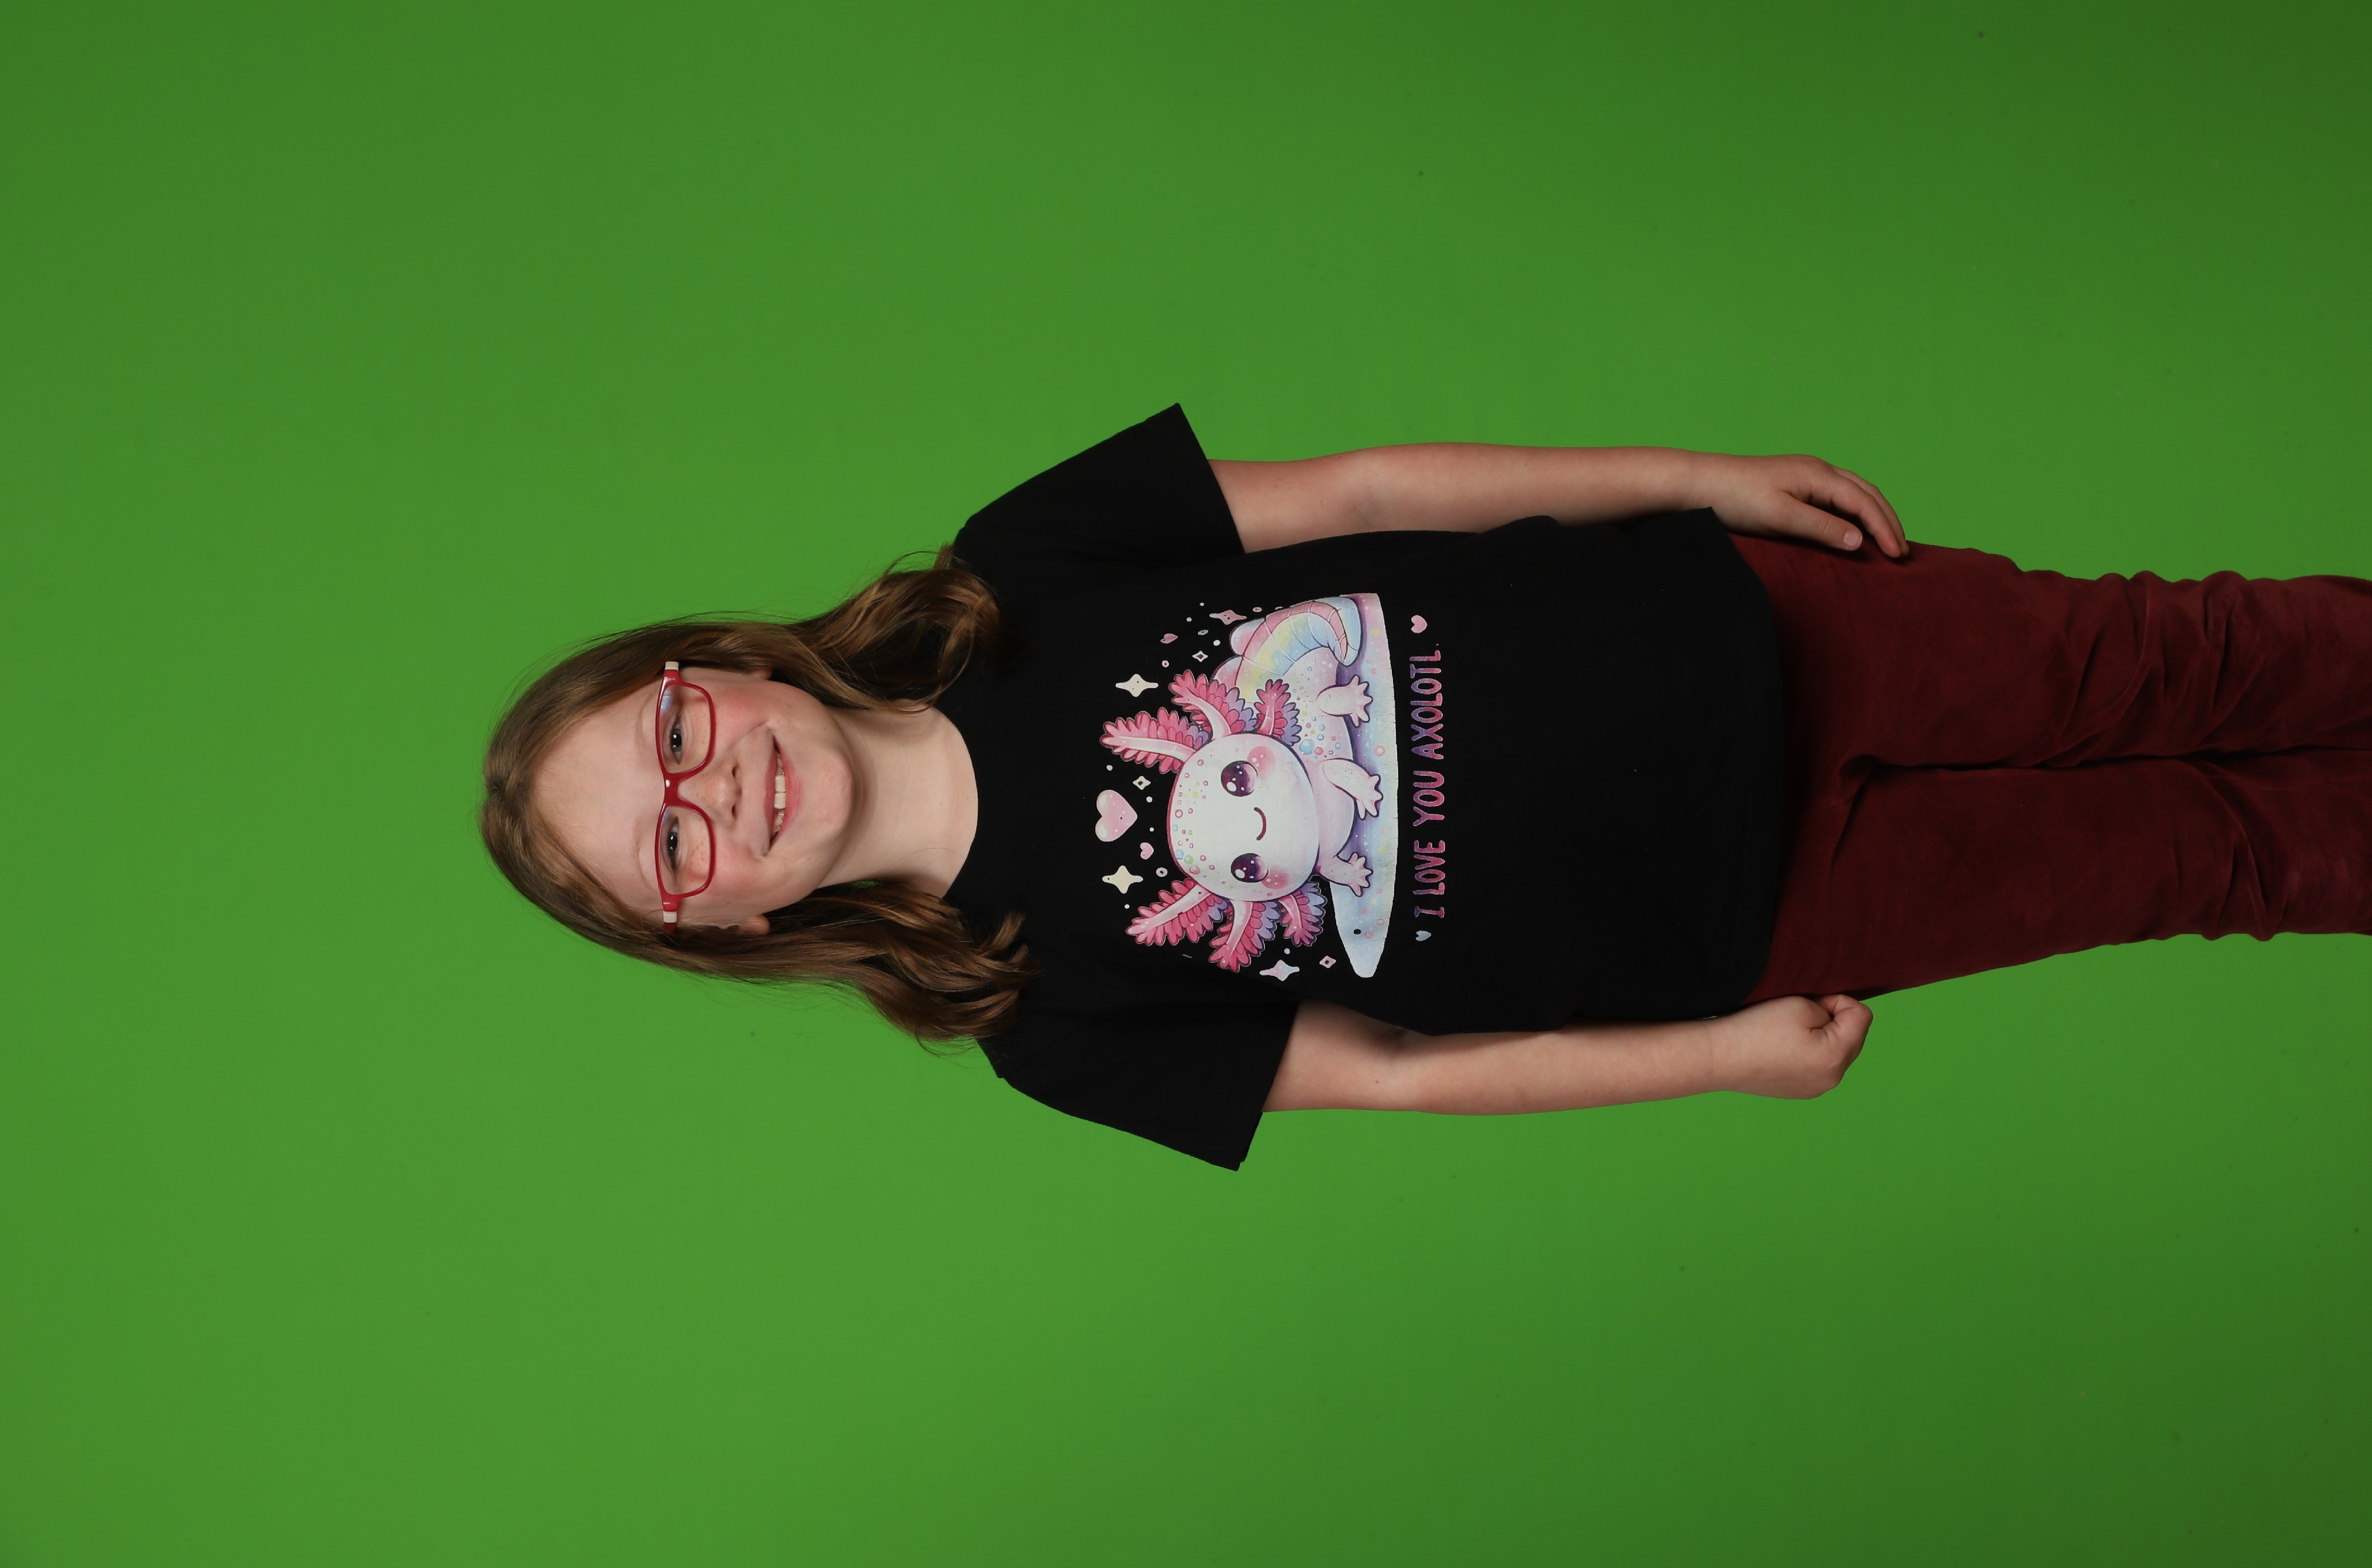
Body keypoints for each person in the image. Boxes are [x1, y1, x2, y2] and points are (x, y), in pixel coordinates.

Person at [481, 407, 2372, 1168]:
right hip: (1745, 911)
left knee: (2172, 656)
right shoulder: (1038, 1025)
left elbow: (1368, 493)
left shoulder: (1014, 567)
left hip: (1746, 629)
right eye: (670, 846)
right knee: (2196, 857)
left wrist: (1689, 477)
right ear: (714, 923)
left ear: (711, 664)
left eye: (672, 732)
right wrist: (1717, 1055)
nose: (716, 791)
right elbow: (1394, 1072)